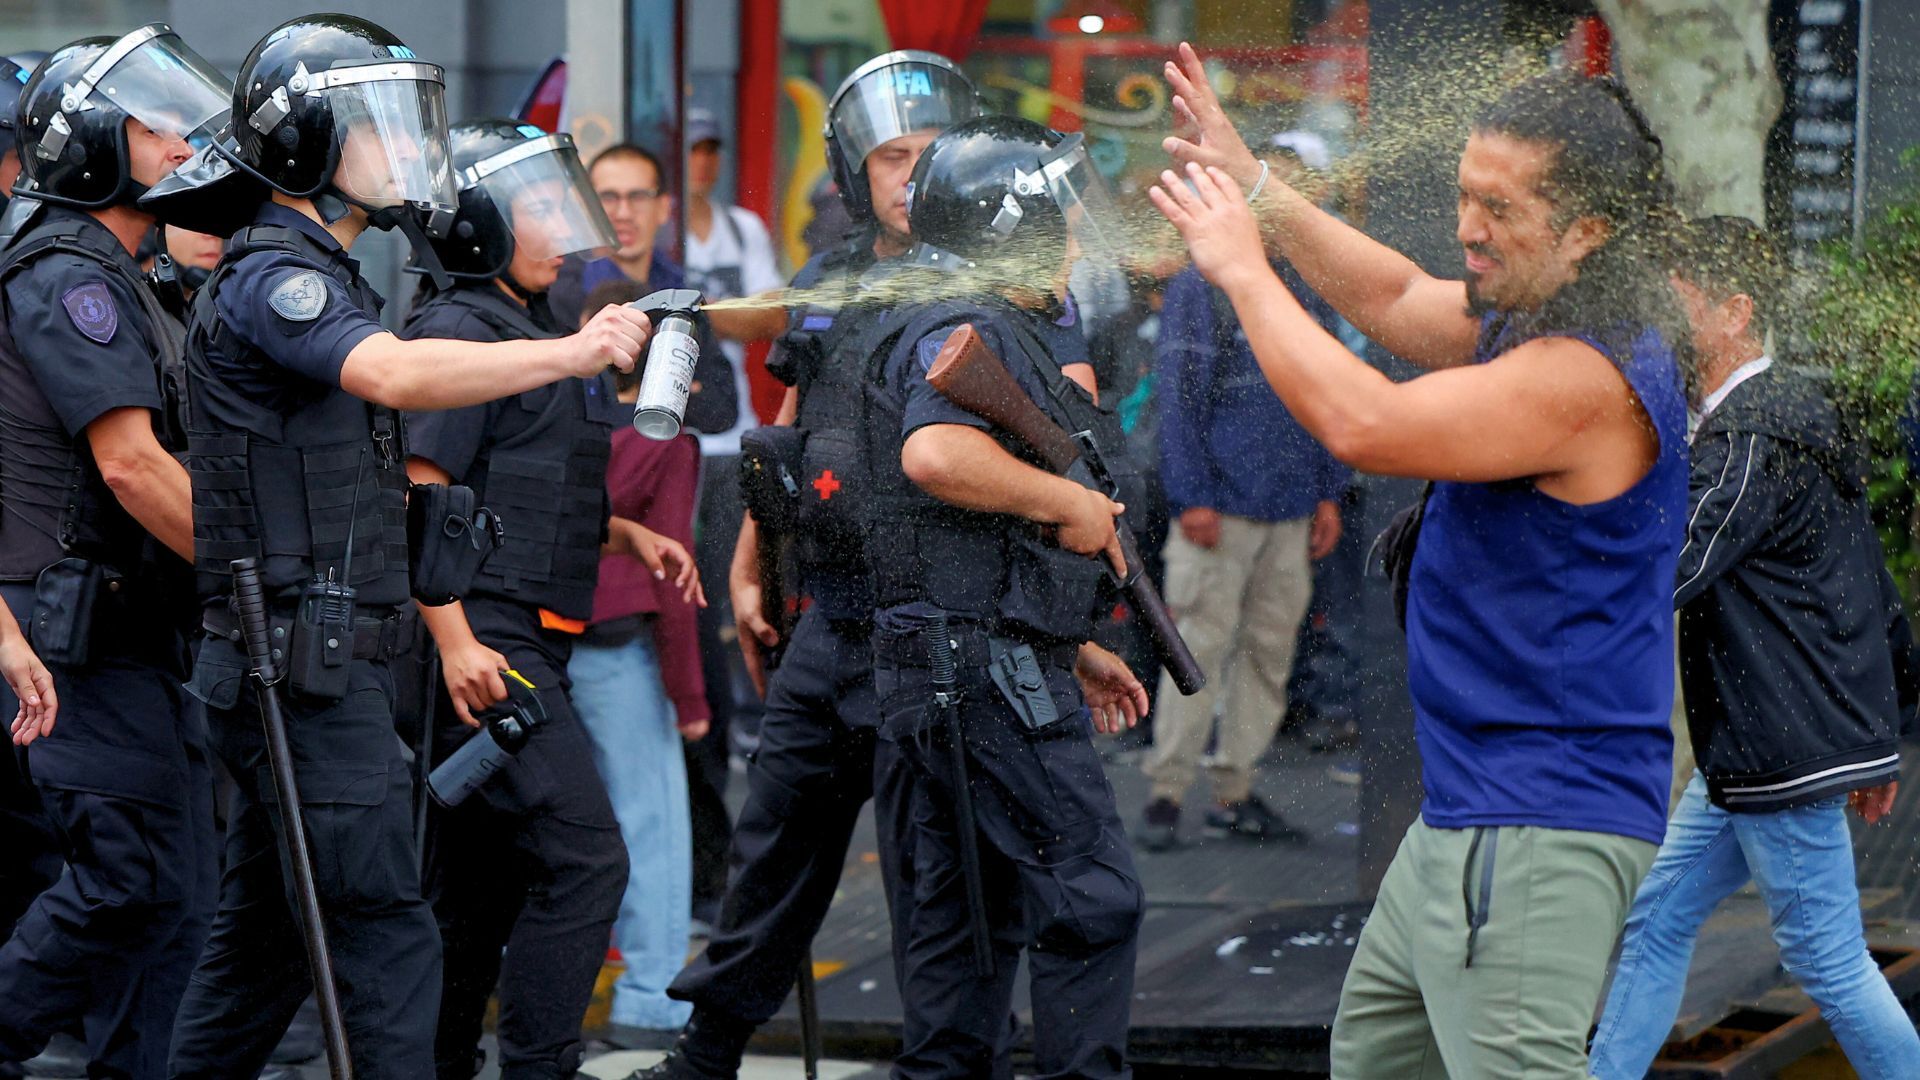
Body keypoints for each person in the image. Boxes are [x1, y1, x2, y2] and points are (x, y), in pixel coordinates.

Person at [1152, 48, 1690, 1077]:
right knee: (1376, 1061)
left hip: (1534, 824)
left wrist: (1242, 268)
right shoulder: (1544, 315)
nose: (1465, 228)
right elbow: (1398, 295)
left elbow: (1365, 420)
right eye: (1462, 195)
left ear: (1589, 230)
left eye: (1498, 208)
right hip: (1475, 808)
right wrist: (1261, 194)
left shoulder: (1582, 372)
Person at [153, 17, 654, 1079]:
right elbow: (396, 377)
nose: (403, 151)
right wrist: (572, 351)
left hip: (312, 661)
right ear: (302, 148)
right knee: (387, 935)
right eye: (374, 129)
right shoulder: (272, 276)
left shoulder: (324, 271)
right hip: (298, 663)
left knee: (263, 951)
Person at [632, 50, 987, 1080]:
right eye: (891, 157)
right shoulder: (833, 274)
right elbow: (790, 424)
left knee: (936, 879)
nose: (912, 177)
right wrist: (750, 563)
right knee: (771, 852)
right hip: (828, 622)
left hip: (940, 633)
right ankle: (706, 1055)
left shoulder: (998, 275)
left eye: (931, 156)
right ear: (853, 171)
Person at [400, 118, 698, 1080]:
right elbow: (416, 489)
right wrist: (450, 642)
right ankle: (540, 1067)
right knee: (585, 859)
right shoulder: (457, 333)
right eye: (534, 205)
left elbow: (518, 490)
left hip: (522, 631)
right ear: (478, 220)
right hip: (484, 639)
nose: (560, 226)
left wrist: (627, 533)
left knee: (480, 888)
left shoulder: (528, 335)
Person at [1588, 217, 1920, 1080]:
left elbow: (1674, 563)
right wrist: (1882, 738)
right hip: (1760, 748)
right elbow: (1867, 581)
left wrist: (1539, 593)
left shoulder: (1750, 435)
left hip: (1780, 752)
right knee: (1657, 920)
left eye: (1679, 299)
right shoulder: (1795, 416)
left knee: (1829, 963)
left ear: (1734, 312)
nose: (1660, 312)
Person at [872, 114, 1150, 1080]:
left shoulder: (958, 317)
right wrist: (1066, 497)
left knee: (968, 934)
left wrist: (1071, 645)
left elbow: (952, 545)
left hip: (951, 659)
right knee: (1092, 899)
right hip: (983, 671)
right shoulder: (976, 327)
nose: (1078, 240)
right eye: (1059, 221)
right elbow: (935, 455)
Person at [0, 26, 230, 1077]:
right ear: (88, 137)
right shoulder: (66, 272)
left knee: (177, 895)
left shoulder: (123, 269)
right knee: (126, 879)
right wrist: (254, 569)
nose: (182, 140)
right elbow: (134, 468)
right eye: (152, 121)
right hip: (66, 633)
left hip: (128, 627)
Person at [1136, 250, 1348, 852]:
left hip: (1289, 507)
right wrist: (1191, 497)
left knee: (1265, 656)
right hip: (1219, 510)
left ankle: (1234, 789)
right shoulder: (1201, 284)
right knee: (1196, 654)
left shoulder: (1302, 281)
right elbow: (1176, 396)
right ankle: (1167, 793)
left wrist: (1327, 491)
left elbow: (1325, 387)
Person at [570, 275, 709, 1047]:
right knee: (651, 822)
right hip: (623, 648)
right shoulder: (666, 440)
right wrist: (690, 701)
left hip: (541, 640)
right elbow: (672, 574)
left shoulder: (562, 418)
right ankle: (651, 998)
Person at [680, 107, 781, 458]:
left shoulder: (743, 227)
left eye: (710, 150)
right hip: (671, 433)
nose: (702, 161)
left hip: (734, 425)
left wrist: (695, 315)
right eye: (692, 150)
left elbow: (774, 316)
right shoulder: (658, 232)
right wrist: (735, 318)